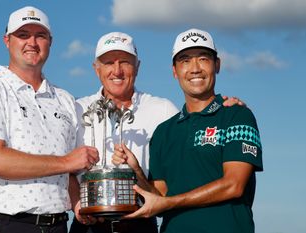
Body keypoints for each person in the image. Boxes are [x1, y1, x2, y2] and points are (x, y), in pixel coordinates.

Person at [69, 32, 245, 233]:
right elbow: (66, 170)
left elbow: (197, 124)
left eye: (125, 62)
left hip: (141, 224)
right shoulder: (77, 109)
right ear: (96, 69)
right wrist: (76, 203)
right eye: (108, 62)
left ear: (137, 67)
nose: (117, 71)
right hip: (89, 225)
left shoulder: (163, 110)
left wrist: (226, 106)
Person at [0, 6, 99, 233]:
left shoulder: (65, 100)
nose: (32, 42)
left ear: (50, 42)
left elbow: (71, 172)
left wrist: (77, 202)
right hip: (4, 224)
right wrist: (66, 162)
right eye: (23, 35)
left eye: (40, 35)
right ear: (7, 40)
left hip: (58, 225)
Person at [115, 28, 263, 233]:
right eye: (185, 60)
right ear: (174, 71)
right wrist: (137, 171)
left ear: (217, 65)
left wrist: (170, 203)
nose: (195, 68)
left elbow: (234, 185)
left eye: (203, 58)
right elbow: (160, 197)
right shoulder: (164, 132)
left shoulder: (237, 116)